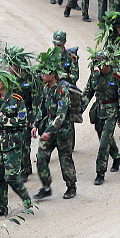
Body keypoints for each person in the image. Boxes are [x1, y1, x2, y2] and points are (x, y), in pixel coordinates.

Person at [33, 53, 78, 199]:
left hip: (62, 130)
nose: (41, 75)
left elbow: (61, 115)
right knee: (41, 157)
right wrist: (35, 125)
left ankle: (71, 187)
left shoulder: (62, 90)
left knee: (65, 159)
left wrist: (50, 131)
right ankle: (46, 187)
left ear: (52, 75)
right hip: (48, 127)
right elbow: (42, 109)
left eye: (44, 73)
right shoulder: (46, 89)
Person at [0, 73, 33, 215]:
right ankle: (1, 208)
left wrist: (4, 119)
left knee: (11, 176)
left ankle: (26, 198)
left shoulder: (17, 100)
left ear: (6, 83)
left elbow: (23, 121)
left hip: (12, 143)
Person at [82, 51, 120, 185]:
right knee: (104, 137)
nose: (98, 67)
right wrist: (78, 110)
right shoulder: (95, 76)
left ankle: (100, 173)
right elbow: (87, 93)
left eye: (100, 63)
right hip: (99, 111)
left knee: (104, 143)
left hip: (112, 111)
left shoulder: (116, 77)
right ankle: (117, 157)